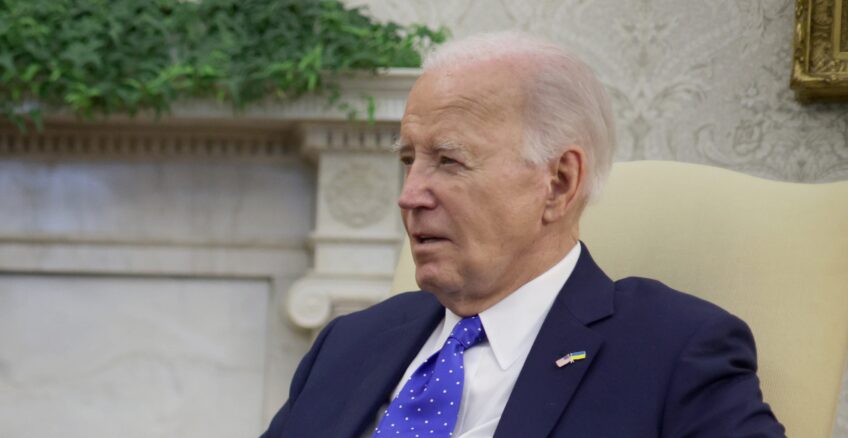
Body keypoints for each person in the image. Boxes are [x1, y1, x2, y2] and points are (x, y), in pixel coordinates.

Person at [262, 32, 784, 438]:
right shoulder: (348, 343)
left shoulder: (673, 351)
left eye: (448, 160)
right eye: (408, 160)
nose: (410, 194)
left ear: (558, 183)